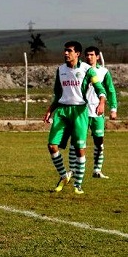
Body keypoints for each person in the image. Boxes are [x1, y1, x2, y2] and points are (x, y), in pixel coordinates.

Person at [43, 41, 106, 195]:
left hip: (79, 111)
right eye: (65, 51)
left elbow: (99, 88)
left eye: (69, 51)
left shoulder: (87, 70)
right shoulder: (60, 70)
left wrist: (102, 102)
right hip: (63, 111)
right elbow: (58, 94)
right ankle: (64, 176)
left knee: (79, 149)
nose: (66, 53)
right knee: (52, 145)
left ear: (77, 53)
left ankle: (78, 185)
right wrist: (50, 110)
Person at [60, 46, 117, 180]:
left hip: (97, 113)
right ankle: (72, 169)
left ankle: (97, 170)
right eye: (87, 55)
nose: (89, 57)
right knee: (76, 142)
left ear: (97, 57)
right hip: (81, 112)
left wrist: (113, 109)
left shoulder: (103, 72)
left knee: (99, 141)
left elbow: (110, 91)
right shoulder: (82, 70)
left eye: (92, 55)